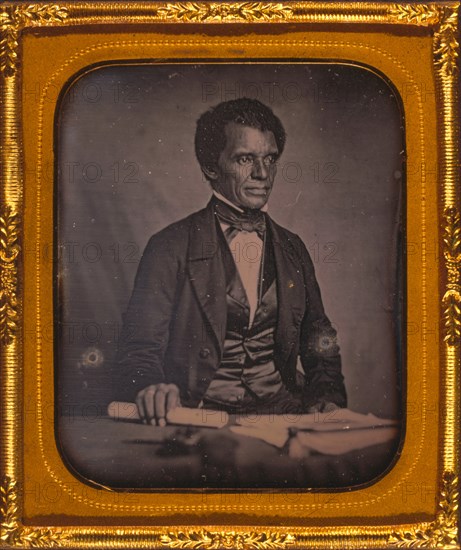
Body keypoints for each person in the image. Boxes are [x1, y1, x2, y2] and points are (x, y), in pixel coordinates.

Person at [115, 97, 347, 426]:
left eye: (270, 158)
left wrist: (327, 395)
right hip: (197, 415)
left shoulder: (293, 248)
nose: (262, 173)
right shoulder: (169, 246)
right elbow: (139, 348)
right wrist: (151, 388)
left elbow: (319, 337)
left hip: (282, 412)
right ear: (211, 166)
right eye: (244, 159)